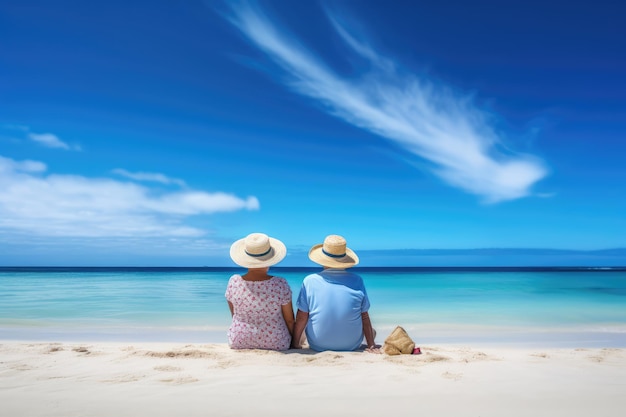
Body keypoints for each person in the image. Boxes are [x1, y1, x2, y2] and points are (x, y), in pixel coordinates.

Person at [291, 235, 379, 353]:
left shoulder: (309, 281)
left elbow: (302, 317)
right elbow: (364, 316)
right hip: (351, 344)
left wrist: (295, 344)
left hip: (318, 345)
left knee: (304, 331)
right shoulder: (357, 280)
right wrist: (371, 345)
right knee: (373, 332)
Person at [225, 233, 295, 350]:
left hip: (239, 340)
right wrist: (294, 342)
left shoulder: (234, 281)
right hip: (276, 342)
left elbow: (235, 315)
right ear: (270, 259)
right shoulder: (279, 283)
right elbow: (289, 320)